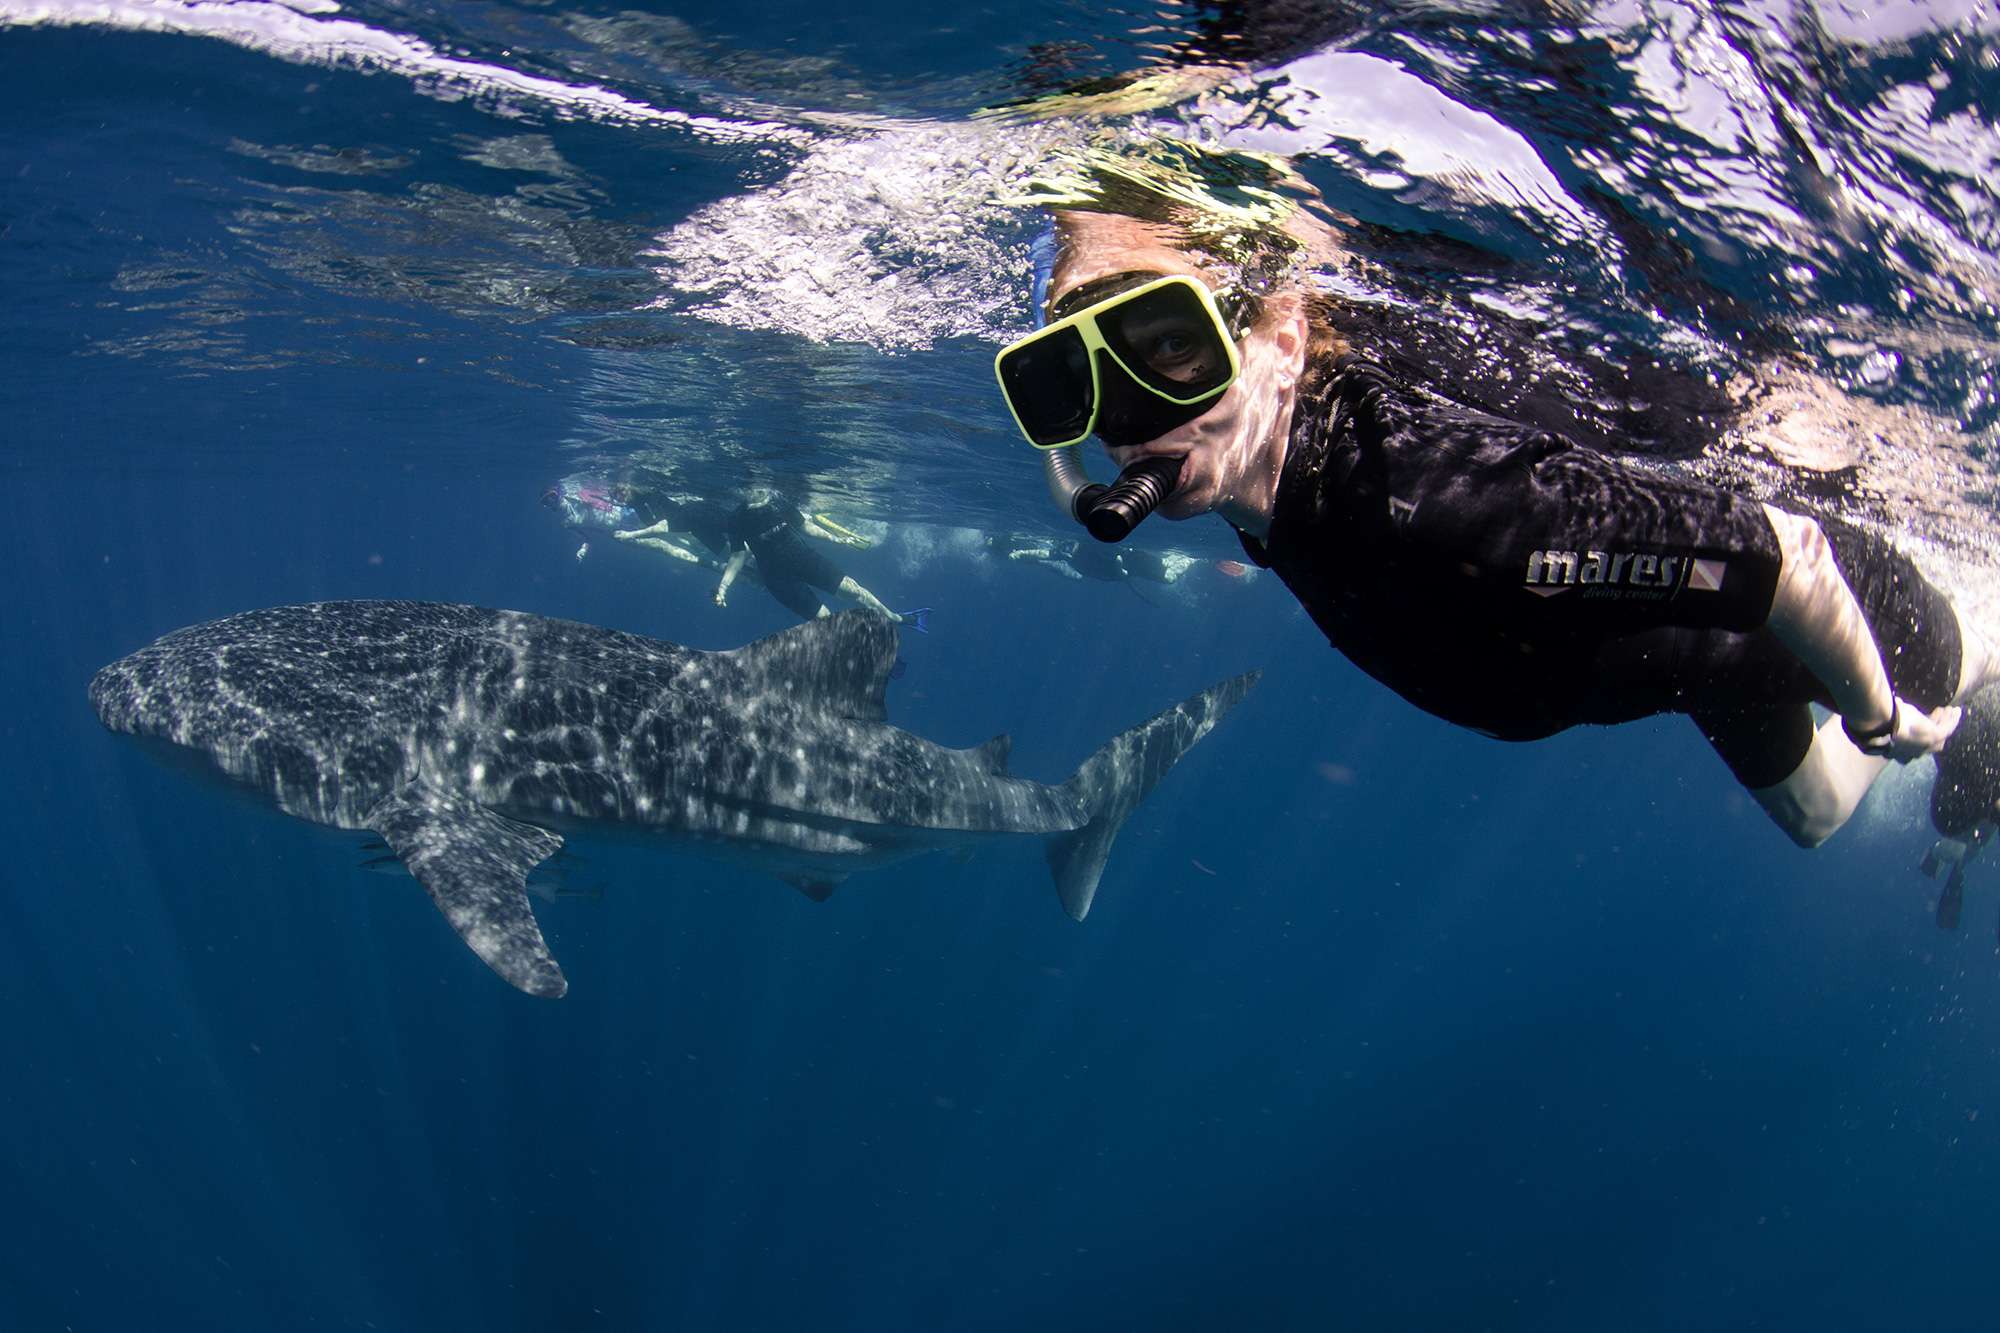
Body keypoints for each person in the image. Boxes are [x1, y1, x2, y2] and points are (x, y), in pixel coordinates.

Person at [993, 207, 2000, 849]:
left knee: (1950, 685)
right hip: (1701, 662)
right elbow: (1103, 448)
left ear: (1283, 342)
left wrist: (1877, 716)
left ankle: (1985, 627)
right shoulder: (1235, 461)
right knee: (1817, 819)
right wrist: (1065, 441)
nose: (1132, 426)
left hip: (1836, 601)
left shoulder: (1444, 509)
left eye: (1171, 348)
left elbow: (1788, 556)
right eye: (1078, 386)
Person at [717, 488, 918, 625]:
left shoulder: (778, 501)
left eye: (760, 489)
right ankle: (859, 653)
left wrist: (835, 538)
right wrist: (723, 587)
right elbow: (737, 555)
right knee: (825, 621)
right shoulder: (736, 519)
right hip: (777, 579)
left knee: (855, 591)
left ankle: (895, 618)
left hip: (806, 560)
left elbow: (804, 526)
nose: (757, 493)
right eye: (750, 489)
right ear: (743, 491)